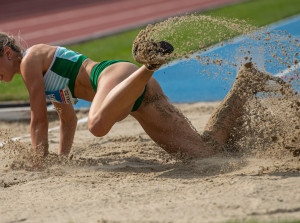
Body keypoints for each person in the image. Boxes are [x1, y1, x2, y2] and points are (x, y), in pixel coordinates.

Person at [0, 32, 284, 167]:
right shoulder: (43, 74)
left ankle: (149, 64)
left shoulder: (29, 62)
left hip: (112, 76)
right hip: (134, 97)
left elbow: (38, 119)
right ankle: (245, 85)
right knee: (205, 152)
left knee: (97, 125)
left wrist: (39, 163)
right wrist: (61, 159)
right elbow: (68, 119)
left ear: (7, 54)